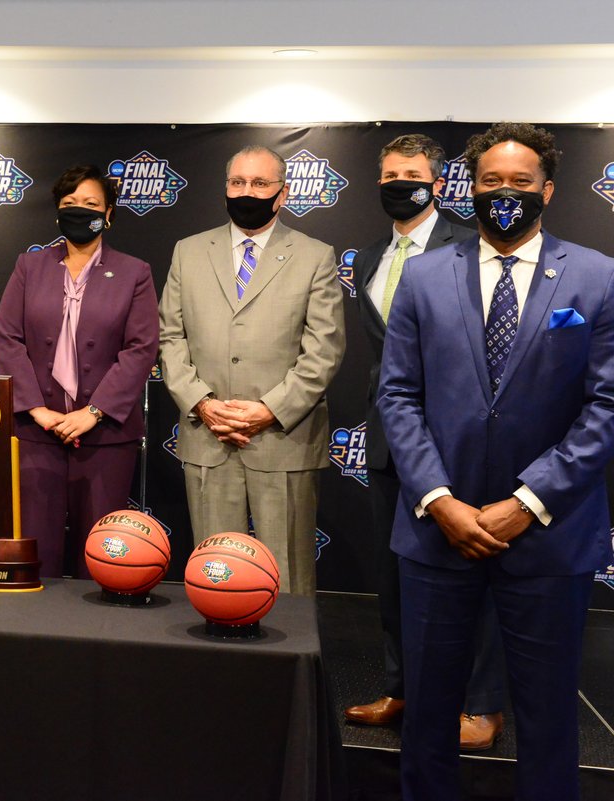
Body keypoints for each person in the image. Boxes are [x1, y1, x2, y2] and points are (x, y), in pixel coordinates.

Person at [378, 122, 614, 801]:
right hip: (437, 533)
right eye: (490, 181)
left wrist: (527, 502)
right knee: (427, 716)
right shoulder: (424, 276)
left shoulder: (597, 277)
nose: (504, 193)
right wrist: (439, 499)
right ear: (469, 189)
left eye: (519, 181)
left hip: (548, 536)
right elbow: (397, 394)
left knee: (547, 718)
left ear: (548, 190)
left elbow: (606, 405)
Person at [344, 134, 506, 750]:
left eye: (410, 174)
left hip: (458, 441)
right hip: (390, 441)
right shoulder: (369, 258)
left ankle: (480, 704)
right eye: (389, 174)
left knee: (474, 574)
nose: (398, 184)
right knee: (395, 577)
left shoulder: (470, 246)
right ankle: (403, 689)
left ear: (438, 184)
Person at [158, 145, 345, 595]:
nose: (248, 192)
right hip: (209, 437)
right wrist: (203, 405)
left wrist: (269, 410)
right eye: (238, 182)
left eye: (260, 183)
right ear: (225, 187)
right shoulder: (188, 251)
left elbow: (324, 349)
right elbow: (170, 338)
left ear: (283, 193)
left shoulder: (315, 255)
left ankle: (291, 644)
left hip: (283, 440)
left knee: (288, 578)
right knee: (214, 575)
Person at [0, 165, 159, 577]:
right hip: (36, 434)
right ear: (57, 212)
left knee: (101, 553)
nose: (79, 211)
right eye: (70, 203)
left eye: (91, 204)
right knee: (35, 554)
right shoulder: (29, 266)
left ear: (108, 214)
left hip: (106, 437)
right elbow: (8, 338)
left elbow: (141, 348)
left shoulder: (134, 272)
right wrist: (36, 409)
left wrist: (94, 412)